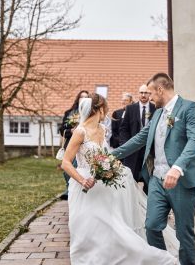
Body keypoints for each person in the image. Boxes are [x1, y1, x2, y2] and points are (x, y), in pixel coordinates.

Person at [61, 93, 176, 265]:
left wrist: (111, 168)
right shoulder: (80, 132)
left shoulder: (102, 129)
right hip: (84, 184)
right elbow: (65, 163)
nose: (106, 113)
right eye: (104, 109)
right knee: (85, 224)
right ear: (98, 109)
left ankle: (110, 256)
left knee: (108, 223)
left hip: (103, 183)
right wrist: (82, 180)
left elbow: (104, 155)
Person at [112, 73, 195, 265]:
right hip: (156, 179)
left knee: (184, 232)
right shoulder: (156, 113)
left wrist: (177, 168)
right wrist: (111, 156)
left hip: (182, 181)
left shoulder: (190, 108)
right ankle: (163, 262)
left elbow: (194, 141)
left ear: (160, 90)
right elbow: (140, 138)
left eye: (150, 93)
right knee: (152, 226)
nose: (148, 97)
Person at [120, 85, 156, 193]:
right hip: (133, 150)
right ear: (138, 94)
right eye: (141, 92)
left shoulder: (156, 108)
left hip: (150, 150)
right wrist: (126, 145)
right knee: (131, 177)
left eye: (146, 93)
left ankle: (147, 202)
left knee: (149, 177)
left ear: (149, 94)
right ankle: (131, 200)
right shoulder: (130, 109)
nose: (143, 95)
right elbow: (123, 128)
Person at [58, 90, 89, 200]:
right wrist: (71, 131)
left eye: (86, 97)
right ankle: (69, 187)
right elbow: (62, 130)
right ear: (78, 99)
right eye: (81, 97)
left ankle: (75, 192)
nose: (83, 99)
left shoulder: (90, 113)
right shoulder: (70, 113)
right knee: (67, 169)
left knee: (77, 168)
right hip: (70, 145)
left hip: (84, 145)